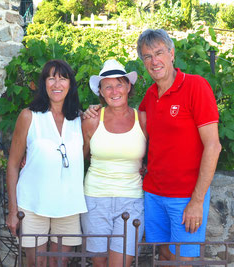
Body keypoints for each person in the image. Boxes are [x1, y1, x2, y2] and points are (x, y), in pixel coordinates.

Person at [84, 29, 222, 265]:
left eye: (159, 53)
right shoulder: (150, 96)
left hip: (185, 195)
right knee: (164, 255)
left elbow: (213, 146)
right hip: (154, 194)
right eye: (147, 56)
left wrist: (197, 200)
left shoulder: (196, 86)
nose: (154, 61)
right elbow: (139, 138)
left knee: (182, 259)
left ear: (171, 53)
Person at [6, 59, 87, 267]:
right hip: (33, 204)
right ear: (44, 83)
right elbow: (13, 165)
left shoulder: (80, 119)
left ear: (70, 85)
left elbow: (85, 156)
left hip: (68, 205)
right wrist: (13, 210)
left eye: (63, 78)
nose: (57, 84)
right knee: (37, 264)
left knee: (59, 264)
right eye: (51, 78)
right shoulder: (28, 117)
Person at [81, 59, 147, 267]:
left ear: (128, 86)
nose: (114, 90)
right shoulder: (91, 120)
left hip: (132, 200)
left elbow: (159, 153)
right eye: (107, 86)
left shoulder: (143, 120)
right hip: (95, 200)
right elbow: (77, 158)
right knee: (100, 264)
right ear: (101, 91)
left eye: (119, 84)